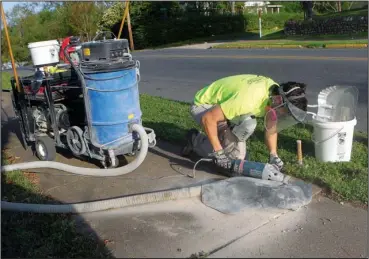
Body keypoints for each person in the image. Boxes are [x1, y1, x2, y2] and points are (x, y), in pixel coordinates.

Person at [181, 74, 308, 171]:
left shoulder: (274, 94)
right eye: (286, 111)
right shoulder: (249, 100)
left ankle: (221, 139)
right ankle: (194, 139)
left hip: (227, 106)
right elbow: (208, 119)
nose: (284, 115)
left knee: (237, 155)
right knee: (231, 157)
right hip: (204, 106)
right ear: (280, 99)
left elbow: (271, 126)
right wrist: (218, 152)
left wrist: (273, 155)